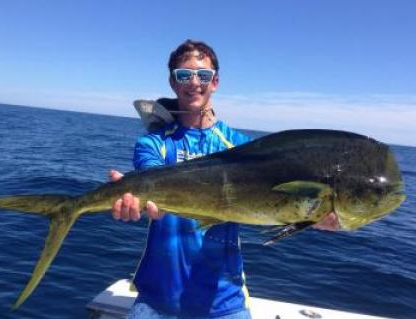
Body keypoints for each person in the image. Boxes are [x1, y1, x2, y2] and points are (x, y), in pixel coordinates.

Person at [110, 40, 339, 319]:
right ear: (173, 82)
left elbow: (274, 200)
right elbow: (151, 173)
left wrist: (315, 216)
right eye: (184, 75)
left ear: (215, 82)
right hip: (157, 300)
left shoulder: (242, 149)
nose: (194, 82)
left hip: (223, 304)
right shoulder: (153, 143)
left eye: (203, 75)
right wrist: (130, 191)